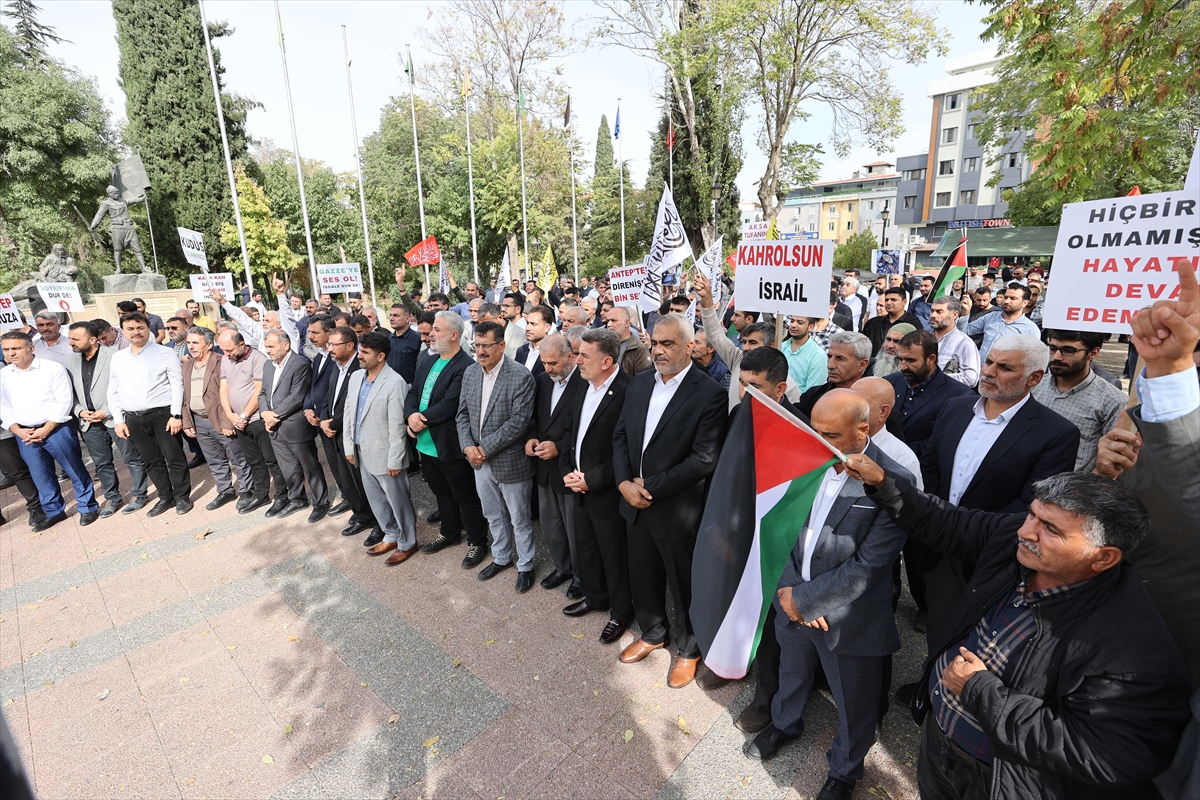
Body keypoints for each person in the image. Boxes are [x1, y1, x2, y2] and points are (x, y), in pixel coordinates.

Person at [848, 457, 1190, 800]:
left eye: (1051, 530)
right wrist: (882, 482)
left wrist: (980, 692)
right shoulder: (1018, 542)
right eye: (1032, 515)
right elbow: (946, 522)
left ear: (1103, 558)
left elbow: (1112, 755)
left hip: (999, 783)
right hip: (939, 749)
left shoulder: (1133, 651)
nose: (1026, 533)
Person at [747, 392, 912, 800]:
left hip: (848, 619)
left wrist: (807, 601)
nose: (817, 442)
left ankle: (845, 769)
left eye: (830, 435)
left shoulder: (894, 483)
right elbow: (776, 526)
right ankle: (785, 724)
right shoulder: (802, 458)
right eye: (814, 430)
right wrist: (789, 594)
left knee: (854, 699)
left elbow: (871, 568)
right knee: (792, 670)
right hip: (790, 600)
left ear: (863, 430)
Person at [915, 334, 1079, 657]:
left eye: (1004, 367)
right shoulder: (955, 408)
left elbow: (1032, 505)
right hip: (939, 548)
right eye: (989, 361)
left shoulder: (1056, 433)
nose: (989, 372)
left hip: (993, 557)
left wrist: (971, 534)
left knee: (978, 643)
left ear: (1034, 378)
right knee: (938, 627)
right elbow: (930, 468)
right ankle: (929, 688)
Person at [612, 313, 728, 688]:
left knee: (683, 584)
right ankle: (651, 632)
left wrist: (651, 488)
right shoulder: (640, 383)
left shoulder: (709, 393)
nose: (658, 351)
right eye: (654, 343)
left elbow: (704, 459)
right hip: (633, 501)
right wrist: (624, 484)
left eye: (668, 344)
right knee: (641, 574)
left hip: (676, 510)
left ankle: (689, 649)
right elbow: (621, 436)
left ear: (689, 346)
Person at [559, 327, 635, 639]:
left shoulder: (629, 391)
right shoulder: (581, 384)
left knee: (613, 554)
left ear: (606, 361)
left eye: (583, 355)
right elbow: (570, 430)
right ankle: (595, 596)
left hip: (604, 490)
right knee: (587, 547)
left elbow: (626, 449)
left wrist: (591, 479)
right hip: (576, 485)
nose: (576, 360)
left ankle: (620, 612)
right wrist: (568, 470)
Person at [455, 321, 538, 590]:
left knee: (519, 518)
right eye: (476, 345)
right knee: (492, 515)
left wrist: (484, 449)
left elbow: (518, 422)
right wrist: (468, 447)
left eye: (486, 346)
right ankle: (501, 557)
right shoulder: (470, 373)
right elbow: (462, 414)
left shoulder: (520, 376)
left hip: (509, 461)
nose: (480, 351)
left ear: (501, 345)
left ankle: (525, 565)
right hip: (478, 462)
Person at [406, 312, 490, 566]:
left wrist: (420, 419)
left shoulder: (466, 366)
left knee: (464, 495)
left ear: (454, 335)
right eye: (432, 329)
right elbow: (414, 391)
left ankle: (477, 541)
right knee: (441, 492)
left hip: (449, 445)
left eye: (437, 330)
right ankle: (450, 532)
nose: (431, 334)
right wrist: (410, 415)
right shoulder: (429, 361)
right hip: (425, 444)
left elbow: (450, 404)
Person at [0, 331, 100, 530]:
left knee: (74, 469)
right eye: (6, 349)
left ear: (31, 348)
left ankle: (88, 507)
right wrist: (16, 429)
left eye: (16, 348)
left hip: (56, 429)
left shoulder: (52, 368)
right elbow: (3, 404)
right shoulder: (4, 374)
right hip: (25, 434)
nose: (11, 353)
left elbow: (64, 400)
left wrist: (47, 428)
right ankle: (54, 511)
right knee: (41, 475)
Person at [343, 331, 419, 564]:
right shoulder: (356, 377)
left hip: (386, 455)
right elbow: (349, 413)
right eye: (360, 350)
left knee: (398, 502)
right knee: (377, 500)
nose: (359, 356)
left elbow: (397, 424)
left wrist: (395, 459)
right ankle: (391, 534)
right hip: (361, 451)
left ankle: (408, 541)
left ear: (381, 356)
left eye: (365, 352)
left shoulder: (394, 382)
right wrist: (349, 446)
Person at [107, 313, 192, 516]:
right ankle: (166, 497)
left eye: (140, 327)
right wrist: (118, 420)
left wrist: (175, 415)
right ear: (123, 331)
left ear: (148, 329)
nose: (136, 332)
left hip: (162, 415)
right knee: (151, 460)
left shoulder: (164, 353)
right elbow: (113, 390)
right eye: (130, 328)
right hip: (133, 418)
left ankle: (182, 498)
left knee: (174, 457)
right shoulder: (118, 357)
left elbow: (177, 384)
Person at [64, 321, 149, 517]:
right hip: (88, 421)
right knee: (101, 463)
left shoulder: (116, 357)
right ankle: (113, 498)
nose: (70, 343)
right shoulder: (70, 361)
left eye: (76, 339)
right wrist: (79, 411)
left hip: (115, 417)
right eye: (70, 338)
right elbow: (69, 392)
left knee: (132, 458)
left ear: (93, 340)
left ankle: (139, 494)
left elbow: (126, 388)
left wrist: (106, 411)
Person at [526, 334, 585, 592]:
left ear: (570, 357)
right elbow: (534, 417)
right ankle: (563, 568)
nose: (547, 368)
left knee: (575, 529)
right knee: (551, 524)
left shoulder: (585, 384)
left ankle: (582, 577)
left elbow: (585, 430)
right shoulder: (542, 380)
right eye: (543, 362)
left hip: (568, 468)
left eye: (553, 363)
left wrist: (558, 447)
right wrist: (531, 438)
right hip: (543, 468)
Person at [695, 272, 799, 410]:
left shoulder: (786, 384)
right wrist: (707, 298)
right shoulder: (738, 360)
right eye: (745, 342)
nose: (745, 347)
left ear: (770, 347)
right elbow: (715, 334)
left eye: (753, 343)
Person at [1030, 330, 1126, 472]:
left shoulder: (1114, 401)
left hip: (1069, 490)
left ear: (1093, 353)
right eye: (1052, 348)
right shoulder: (1032, 386)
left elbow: (1114, 463)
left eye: (1068, 350)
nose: (1056, 357)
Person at [260, 330, 329, 521]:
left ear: (285, 345)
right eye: (266, 346)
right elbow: (263, 392)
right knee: (288, 467)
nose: (267, 350)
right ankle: (297, 499)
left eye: (271, 346)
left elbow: (297, 397)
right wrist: (264, 413)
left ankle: (321, 502)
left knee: (310, 467)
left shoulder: (300, 364)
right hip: (274, 426)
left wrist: (274, 416)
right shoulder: (268, 365)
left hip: (295, 425)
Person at [319, 327, 379, 541]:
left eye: (334, 345)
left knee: (362, 481)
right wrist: (325, 419)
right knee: (345, 479)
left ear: (350, 345)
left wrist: (333, 423)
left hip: (352, 433)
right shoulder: (336, 366)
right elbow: (329, 396)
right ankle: (361, 515)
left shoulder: (361, 367)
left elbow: (356, 405)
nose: (330, 349)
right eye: (329, 344)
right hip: (333, 431)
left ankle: (377, 523)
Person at [180, 326, 250, 511]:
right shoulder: (186, 365)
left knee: (237, 457)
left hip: (221, 419)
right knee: (215, 460)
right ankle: (225, 491)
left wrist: (228, 421)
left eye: (196, 342)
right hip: (199, 421)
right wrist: (187, 421)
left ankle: (247, 490)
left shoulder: (222, 362)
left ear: (210, 344)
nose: (191, 346)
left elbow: (230, 394)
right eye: (188, 343)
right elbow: (184, 396)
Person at [217, 329, 278, 516]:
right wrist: (230, 414)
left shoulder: (258, 359)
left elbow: (259, 390)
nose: (226, 355)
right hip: (238, 420)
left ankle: (284, 494)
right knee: (253, 460)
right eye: (224, 351)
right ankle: (261, 494)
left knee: (271, 460)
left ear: (242, 344)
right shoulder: (227, 359)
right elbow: (223, 389)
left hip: (257, 419)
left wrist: (244, 415)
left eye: (229, 350)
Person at [885, 330, 974, 453]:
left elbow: (942, 443)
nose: (903, 366)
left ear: (931, 359)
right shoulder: (890, 382)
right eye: (901, 359)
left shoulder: (958, 396)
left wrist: (898, 452)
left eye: (911, 360)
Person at [796, 332, 872, 418]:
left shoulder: (872, 404)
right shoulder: (813, 395)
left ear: (862, 365)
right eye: (829, 357)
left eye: (840, 359)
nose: (830, 365)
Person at [965, 285, 1041, 361]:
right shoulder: (990, 317)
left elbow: (1031, 360)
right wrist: (965, 314)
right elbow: (966, 331)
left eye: (1013, 298)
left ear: (1024, 303)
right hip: (980, 369)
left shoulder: (1030, 329)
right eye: (1006, 297)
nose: (1007, 301)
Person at [929, 295, 980, 387]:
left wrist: (936, 378)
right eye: (932, 310)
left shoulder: (965, 343)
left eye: (939, 312)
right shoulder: (923, 338)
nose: (933, 315)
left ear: (954, 315)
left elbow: (971, 379)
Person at [861, 288, 923, 356]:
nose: (888, 303)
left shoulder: (913, 324)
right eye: (886, 300)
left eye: (893, 300)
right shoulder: (873, 323)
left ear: (904, 302)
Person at [782, 316, 827, 393]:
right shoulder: (780, 347)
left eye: (800, 322)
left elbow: (811, 393)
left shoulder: (818, 355)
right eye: (792, 321)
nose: (793, 325)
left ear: (811, 327)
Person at [603, 305, 651, 377]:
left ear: (627, 323)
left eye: (613, 320)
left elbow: (642, 381)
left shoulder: (639, 349)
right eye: (608, 321)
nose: (609, 324)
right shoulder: (602, 345)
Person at [386, 303, 421, 385]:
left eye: (396, 315)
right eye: (390, 315)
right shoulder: (388, 339)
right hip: (388, 385)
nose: (391, 318)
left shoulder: (417, 339)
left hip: (408, 386)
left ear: (407, 318)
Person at [515, 305, 555, 376]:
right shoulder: (521, 350)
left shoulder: (554, 352)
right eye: (527, 323)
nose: (528, 328)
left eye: (533, 324)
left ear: (547, 327)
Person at [500, 292, 526, 359]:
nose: (503, 309)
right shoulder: (502, 326)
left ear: (518, 309)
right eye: (502, 305)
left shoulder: (526, 329)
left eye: (507, 306)